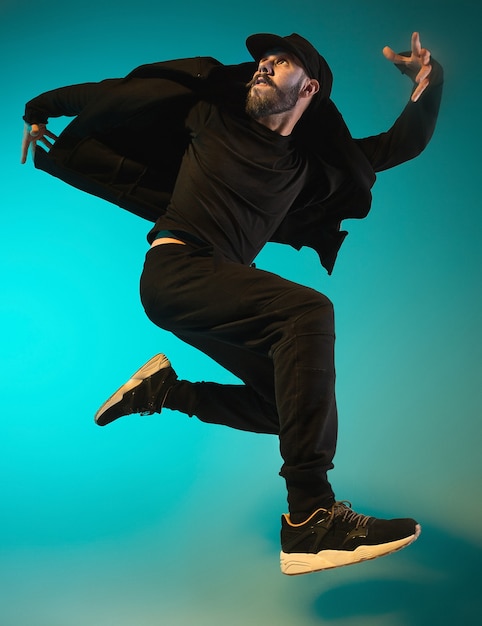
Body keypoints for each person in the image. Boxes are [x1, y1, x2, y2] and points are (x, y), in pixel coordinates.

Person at [22, 31, 443, 575]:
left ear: (309, 87)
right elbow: (119, 94)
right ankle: (310, 516)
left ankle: (166, 392)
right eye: (262, 59)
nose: (264, 65)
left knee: (282, 407)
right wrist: (41, 108)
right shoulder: (211, 117)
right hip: (177, 270)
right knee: (309, 312)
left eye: (281, 61)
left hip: (212, 288)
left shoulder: (305, 170)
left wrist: (430, 81)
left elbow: (400, 144)